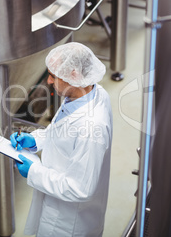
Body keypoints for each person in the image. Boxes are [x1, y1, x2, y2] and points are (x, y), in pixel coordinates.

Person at [10, 42, 113, 237]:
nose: (48, 81)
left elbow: (80, 189)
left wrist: (33, 171)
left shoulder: (91, 128)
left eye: (53, 76)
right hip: (58, 206)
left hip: (69, 224)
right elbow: (62, 131)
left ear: (74, 75)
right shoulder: (86, 93)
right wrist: (35, 140)